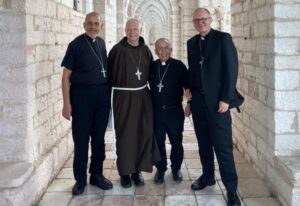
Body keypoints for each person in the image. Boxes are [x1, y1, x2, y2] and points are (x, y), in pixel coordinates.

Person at [186, 8, 243, 206]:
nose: (200, 22)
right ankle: (208, 176)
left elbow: (231, 70)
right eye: (197, 20)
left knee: (223, 148)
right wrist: (188, 93)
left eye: (204, 19)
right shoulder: (191, 43)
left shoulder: (223, 39)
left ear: (210, 20)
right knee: (203, 144)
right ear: (194, 23)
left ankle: (232, 190)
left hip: (219, 104)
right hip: (199, 103)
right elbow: (192, 72)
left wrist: (226, 99)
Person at [61, 12, 113, 196]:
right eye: (89, 23)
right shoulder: (75, 45)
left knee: (99, 140)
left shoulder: (101, 43)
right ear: (84, 25)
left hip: (101, 96)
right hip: (81, 96)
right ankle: (80, 180)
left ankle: (96, 175)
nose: (93, 26)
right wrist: (66, 104)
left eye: (96, 23)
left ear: (101, 25)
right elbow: (66, 76)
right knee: (81, 140)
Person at [108, 18, 160, 188]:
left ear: (140, 30)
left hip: (143, 97)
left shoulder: (146, 50)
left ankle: (137, 171)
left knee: (142, 133)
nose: (132, 32)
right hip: (123, 98)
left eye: (135, 29)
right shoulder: (117, 50)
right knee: (125, 135)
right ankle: (124, 172)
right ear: (125, 30)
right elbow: (110, 77)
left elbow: (152, 75)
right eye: (129, 29)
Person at [149, 38, 188, 184]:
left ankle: (176, 168)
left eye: (166, 48)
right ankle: (160, 168)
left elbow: (188, 87)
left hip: (174, 112)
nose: (163, 51)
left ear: (171, 50)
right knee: (158, 142)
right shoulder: (152, 67)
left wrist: (189, 102)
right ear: (155, 51)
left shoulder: (179, 66)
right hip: (156, 112)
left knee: (176, 142)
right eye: (160, 48)